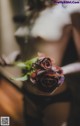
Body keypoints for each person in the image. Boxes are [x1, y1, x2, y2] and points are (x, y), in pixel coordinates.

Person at [13, 0, 80, 126]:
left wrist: (59, 71)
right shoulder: (31, 11)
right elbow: (33, 49)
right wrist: (15, 55)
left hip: (55, 97)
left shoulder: (70, 8)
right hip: (28, 93)